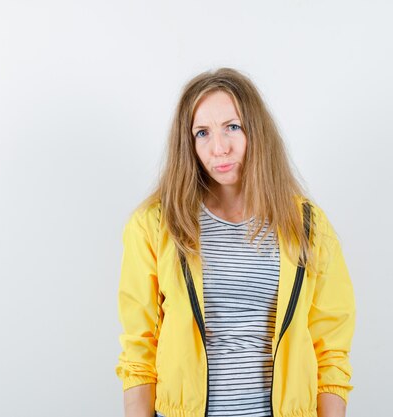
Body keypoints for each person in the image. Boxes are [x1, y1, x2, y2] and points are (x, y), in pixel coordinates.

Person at [115, 68, 355, 417]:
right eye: (202, 133)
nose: (219, 148)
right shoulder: (155, 225)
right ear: (188, 144)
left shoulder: (308, 225)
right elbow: (139, 349)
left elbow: (331, 346)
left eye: (232, 127)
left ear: (256, 131)